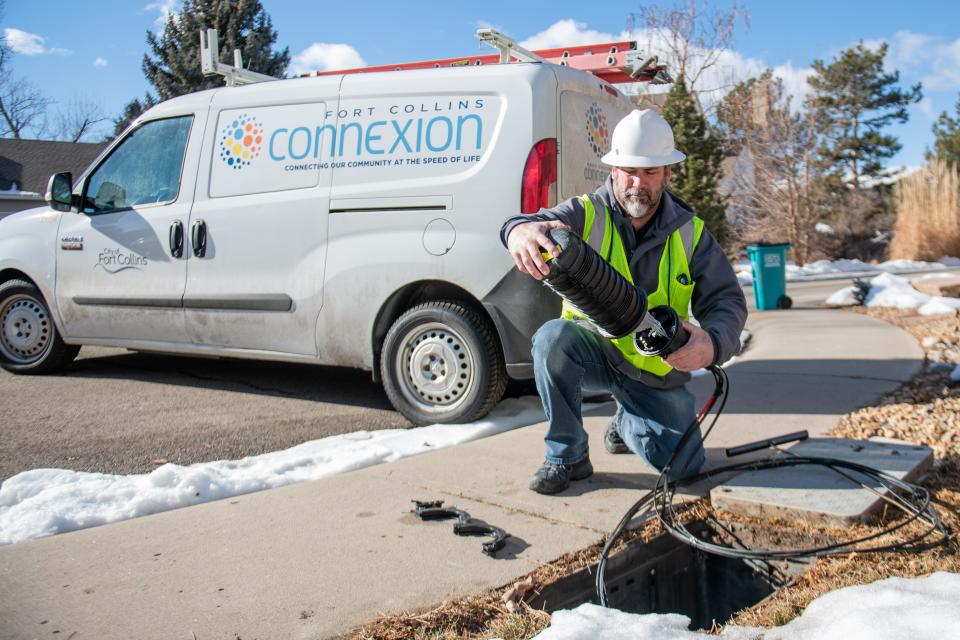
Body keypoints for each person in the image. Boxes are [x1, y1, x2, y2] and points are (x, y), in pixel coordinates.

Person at [500, 109, 747, 495]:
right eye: (629, 170)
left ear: (667, 173)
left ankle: (626, 422)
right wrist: (518, 231)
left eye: (650, 172)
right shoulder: (584, 214)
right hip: (593, 351)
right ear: (613, 170)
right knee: (551, 339)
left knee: (686, 468)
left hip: (655, 368)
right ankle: (567, 454)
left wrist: (713, 343)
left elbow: (727, 301)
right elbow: (529, 223)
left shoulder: (691, 233)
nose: (638, 183)